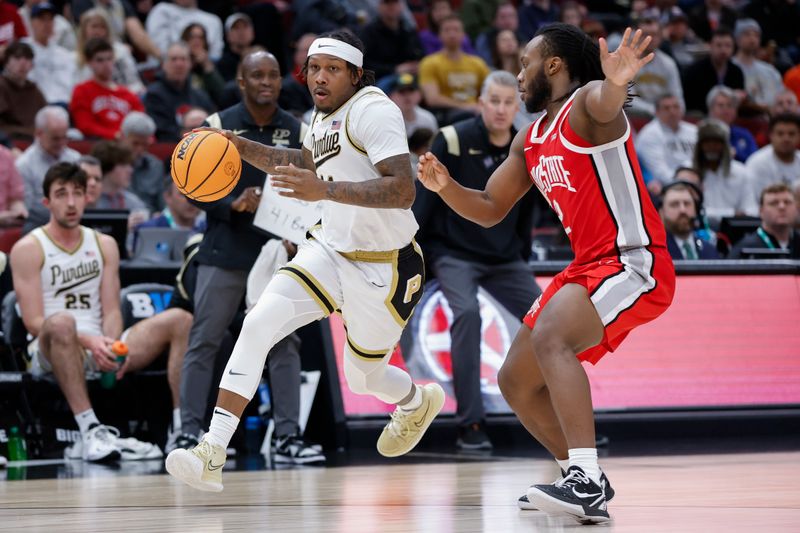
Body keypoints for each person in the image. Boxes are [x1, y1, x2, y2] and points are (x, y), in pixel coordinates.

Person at [417, 24, 675, 523]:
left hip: (633, 258)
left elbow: (603, 102)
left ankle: (586, 474)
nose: (518, 75)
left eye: (524, 63)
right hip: (586, 265)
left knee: (552, 336)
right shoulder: (530, 138)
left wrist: (617, 83)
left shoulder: (587, 108)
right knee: (515, 380)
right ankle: (578, 478)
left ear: (553, 65)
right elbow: (491, 206)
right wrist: (446, 186)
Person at [166, 31, 443, 491]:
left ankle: (416, 402)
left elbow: (402, 190)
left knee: (364, 377)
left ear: (356, 74)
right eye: (314, 68)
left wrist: (326, 191)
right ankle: (211, 451)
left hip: (386, 266)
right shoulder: (321, 116)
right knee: (258, 324)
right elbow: (304, 161)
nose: (319, 77)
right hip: (328, 250)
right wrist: (236, 144)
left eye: (332, 69)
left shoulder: (374, 110)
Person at [167, 50, 318, 464]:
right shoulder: (216, 126)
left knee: (284, 342)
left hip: (278, 252)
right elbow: (187, 183)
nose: (266, 82)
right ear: (241, 81)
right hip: (226, 249)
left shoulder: (299, 129)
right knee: (205, 340)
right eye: (257, 75)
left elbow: (314, 185)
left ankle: (288, 437)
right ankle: (187, 433)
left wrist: (298, 233)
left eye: (273, 74)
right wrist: (231, 202)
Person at [9, 162, 188, 461]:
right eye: (61, 194)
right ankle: (91, 429)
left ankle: (184, 430)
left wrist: (111, 344)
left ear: (87, 197)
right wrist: (90, 341)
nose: (70, 202)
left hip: (99, 342)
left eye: (77, 193)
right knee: (62, 322)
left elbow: (112, 308)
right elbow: (34, 322)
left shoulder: (104, 244)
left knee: (181, 319)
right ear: (46, 202)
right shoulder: (28, 247)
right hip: (51, 348)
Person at [413, 71, 540, 450]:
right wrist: (416, 253)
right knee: (466, 314)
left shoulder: (526, 144)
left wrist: (521, 253)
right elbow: (426, 198)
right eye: (494, 101)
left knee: (548, 319)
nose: (501, 109)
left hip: (505, 258)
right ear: (482, 103)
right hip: (454, 253)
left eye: (508, 102)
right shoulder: (452, 139)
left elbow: (529, 208)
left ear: (516, 106)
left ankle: (565, 422)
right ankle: (470, 424)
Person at [418, 15, 490, 125]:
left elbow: (490, 91)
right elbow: (432, 98)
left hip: (477, 113)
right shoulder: (429, 63)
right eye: (447, 30)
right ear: (439, 35)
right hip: (447, 115)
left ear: (463, 34)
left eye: (456, 30)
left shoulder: (478, 63)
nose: (452, 34)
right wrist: (467, 107)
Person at [70, 37, 144, 140]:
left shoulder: (128, 94)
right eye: (100, 60)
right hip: (99, 145)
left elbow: (142, 124)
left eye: (109, 59)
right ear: (89, 63)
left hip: (128, 145)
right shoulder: (82, 91)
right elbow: (85, 125)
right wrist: (115, 135)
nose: (106, 64)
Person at [144, 42, 215, 141]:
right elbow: (160, 130)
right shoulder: (154, 95)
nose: (179, 64)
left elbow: (213, 123)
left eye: (183, 59)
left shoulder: (200, 95)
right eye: (174, 59)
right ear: (164, 64)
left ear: (190, 64)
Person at [691, 118, 758, 223]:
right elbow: (692, 212)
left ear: (725, 146)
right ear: (699, 146)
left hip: (735, 229)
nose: (711, 147)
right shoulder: (689, 171)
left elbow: (751, 210)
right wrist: (732, 214)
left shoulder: (741, 171)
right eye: (707, 142)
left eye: (716, 142)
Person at [17, 106, 80, 211]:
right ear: (39, 133)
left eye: (65, 137)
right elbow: (27, 209)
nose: (61, 143)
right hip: (38, 223)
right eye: (55, 138)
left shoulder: (75, 158)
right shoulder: (24, 165)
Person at [634, 94, 697, 193]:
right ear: (657, 112)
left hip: (695, 182)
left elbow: (700, 161)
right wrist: (685, 183)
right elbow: (659, 172)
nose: (672, 112)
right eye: (666, 108)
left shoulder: (694, 131)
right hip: (665, 189)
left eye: (676, 107)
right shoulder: (649, 134)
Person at [76, 8, 144, 96]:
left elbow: (134, 81)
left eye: (102, 27)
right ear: (84, 30)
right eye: (94, 26)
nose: (98, 31)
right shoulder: (74, 57)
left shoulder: (121, 51)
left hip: (124, 96)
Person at [627, 14, 684, 117]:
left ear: (661, 37)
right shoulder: (626, 62)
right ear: (636, 36)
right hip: (634, 117)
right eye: (645, 34)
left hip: (664, 115)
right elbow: (628, 100)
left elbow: (677, 97)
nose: (649, 39)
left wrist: (674, 110)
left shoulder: (669, 63)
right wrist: (655, 110)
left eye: (654, 34)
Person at [22, 2, 77, 106]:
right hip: (34, 105)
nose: (47, 24)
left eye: (50, 19)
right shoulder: (22, 49)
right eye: (42, 19)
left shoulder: (65, 55)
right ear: (32, 22)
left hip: (64, 105)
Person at [683, 27, 744, 115]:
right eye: (719, 45)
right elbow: (690, 101)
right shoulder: (695, 71)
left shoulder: (736, 72)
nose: (723, 50)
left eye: (728, 46)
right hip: (701, 115)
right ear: (710, 46)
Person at [729, 183, 799, 259]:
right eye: (774, 203)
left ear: (796, 208)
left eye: (787, 202)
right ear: (761, 211)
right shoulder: (746, 250)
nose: (782, 207)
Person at [359, 0, 423, 81]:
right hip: (381, 80)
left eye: (395, 2)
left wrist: (417, 65)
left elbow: (420, 54)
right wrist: (394, 69)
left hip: (411, 76)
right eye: (387, 3)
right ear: (379, 7)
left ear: (401, 6)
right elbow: (364, 65)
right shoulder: (368, 32)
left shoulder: (408, 30)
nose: (391, 7)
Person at [745, 113, 800, 201]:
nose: (786, 139)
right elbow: (758, 200)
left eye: (791, 134)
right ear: (771, 135)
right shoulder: (757, 163)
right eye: (780, 134)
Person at [145, 0, 223, 61]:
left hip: (204, 70)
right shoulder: (161, 11)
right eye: (192, 36)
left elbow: (216, 55)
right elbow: (158, 48)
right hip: (163, 70)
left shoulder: (213, 20)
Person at [732, 19, 783, 110]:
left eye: (756, 35)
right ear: (737, 39)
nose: (752, 39)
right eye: (747, 34)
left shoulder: (769, 70)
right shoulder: (730, 67)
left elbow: (780, 94)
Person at [660, 182, 720, 260]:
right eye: (674, 204)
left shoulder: (709, 250)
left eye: (687, 203)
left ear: (696, 209)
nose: (682, 210)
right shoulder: (656, 252)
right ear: (661, 212)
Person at [119, 111, 165, 214]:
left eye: (145, 145)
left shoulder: (156, 166)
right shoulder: (110, 164)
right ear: (122, 137)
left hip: (150, 223)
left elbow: (163, 205)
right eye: (135, 144)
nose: (140, 149)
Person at [0, 41, 47, 140]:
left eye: (27, 58)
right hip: (7, 141)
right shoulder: (2, 86)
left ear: (32, 65)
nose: (22, 63)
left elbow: (46, 117)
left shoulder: (34, 90)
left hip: (35, 139)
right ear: (6, 63)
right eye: (17, 58)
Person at [706, 85, 757, 163]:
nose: (726, 110)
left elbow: (755, 161)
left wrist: (737, 154)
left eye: (730, 105)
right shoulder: (701, 133)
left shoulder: (744, 134)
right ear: (711, 109)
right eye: (721, 105)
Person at [387, 73, 438, 137]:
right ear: (391, 96)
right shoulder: (387, 120)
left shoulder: (427, 119)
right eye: (401, 92)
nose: (407, 96)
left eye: (411, 91)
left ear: (420, 94)